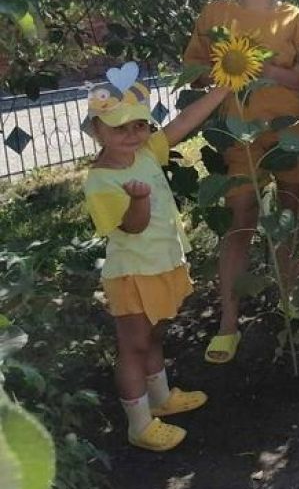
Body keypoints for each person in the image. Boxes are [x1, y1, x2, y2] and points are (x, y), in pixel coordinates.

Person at [183, 0, 299, 364]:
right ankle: (228, 322)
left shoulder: (295, 17)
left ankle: (288, 303)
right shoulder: (216, 15)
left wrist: (267, 70)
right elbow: (194, 70)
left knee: (289, 215)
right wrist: (226, 70)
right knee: (241, 217)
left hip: (291, 131)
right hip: (239, 131)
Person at [82, 65, 229, 450]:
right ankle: (139, 424)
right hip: (133, 274)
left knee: (156, 334)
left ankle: (161, 399)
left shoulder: (147, 152)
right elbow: (131, 227)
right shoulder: (100, 181)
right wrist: (139, 199)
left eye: (139, 125)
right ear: (96, 130)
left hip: (162, 263)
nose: (131, 134)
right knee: (134, 346)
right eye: (119, 127)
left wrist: (221, 91)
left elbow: (183, 123)